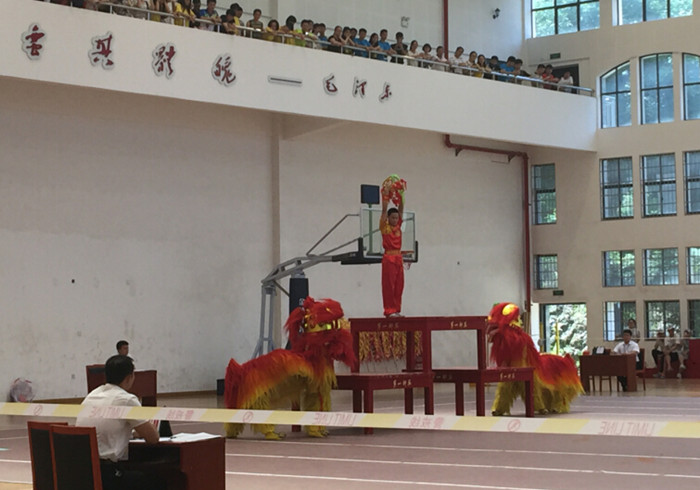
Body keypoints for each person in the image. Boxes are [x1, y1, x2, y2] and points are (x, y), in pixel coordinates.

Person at [76, 355, 167, 490]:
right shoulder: (127, 399)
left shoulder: (91, 396)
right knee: (158, 481)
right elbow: (153, 438)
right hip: (106, 474)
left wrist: (132, 433)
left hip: (82, 472)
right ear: (129, 377)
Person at [380, 189, 405, 318]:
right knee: (389, 286)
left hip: (398, 258)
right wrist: (385, 196)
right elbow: (384, 211)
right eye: (393, 218)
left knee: (399, 286)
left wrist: (401, 194)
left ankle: (396, 310)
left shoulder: (398, 226)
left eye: (396, 218)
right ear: (388, 218)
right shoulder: (385, 227)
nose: (395, 220)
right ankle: (389, 310)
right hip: (389, 258)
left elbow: (401, 209)